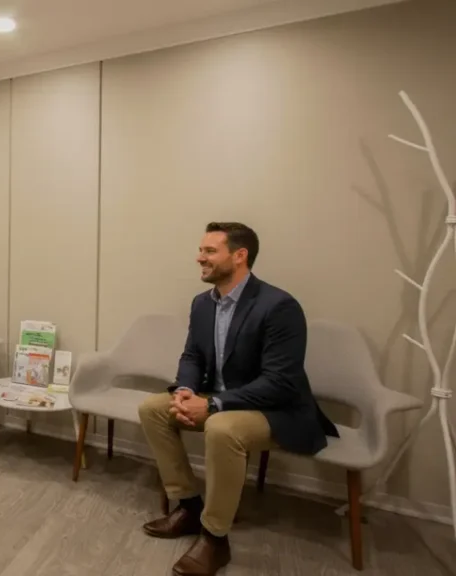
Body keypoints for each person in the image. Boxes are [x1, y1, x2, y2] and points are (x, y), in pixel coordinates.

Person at [137, 222, 338, 576]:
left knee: (222, 427)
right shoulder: (202, 304)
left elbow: (280, 382)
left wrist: (213, 404)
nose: (199, 257)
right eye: (201, 250)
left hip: (277, 409)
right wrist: (185, 390)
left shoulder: (279, 306)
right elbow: (192, 356)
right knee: (153, 408)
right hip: (220, 400)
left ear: (240, 256)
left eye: (210, 251)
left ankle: (215, 538)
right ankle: (187, 506)